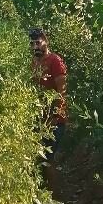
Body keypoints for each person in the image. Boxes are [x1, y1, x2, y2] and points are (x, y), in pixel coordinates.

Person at [29, 28, 67, 190]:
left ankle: (53, 196)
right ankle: (42, 194)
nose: (34, 47)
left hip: (54, 120)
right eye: (32, 44)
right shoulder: (34, 62)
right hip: (39, 118)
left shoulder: (55, 61)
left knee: (47, 160)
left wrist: (54, 117)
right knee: (38, 159)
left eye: (37, 43)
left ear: (45, 40)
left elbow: (62, 92)